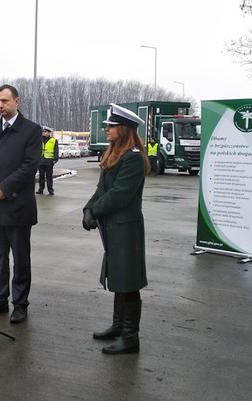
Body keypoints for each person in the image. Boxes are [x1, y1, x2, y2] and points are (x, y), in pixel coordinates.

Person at [82, 103, 150, 355]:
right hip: (113, 228)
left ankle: (131, 338)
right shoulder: (114, 155)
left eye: (111, 126)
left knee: (128, 282)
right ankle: (119, 326)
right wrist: (87, 209)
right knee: (119, 278)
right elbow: (102, 190)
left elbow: (120, 195)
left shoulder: (133, 158)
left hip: (126, 229)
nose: (107, 130)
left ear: (124, 129)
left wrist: (95, 211)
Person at [0, 84, 40, 324]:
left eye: (5, 101)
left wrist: (3, 188)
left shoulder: (31, 131)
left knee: (20, 259)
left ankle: (20, 304)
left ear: (17, 101)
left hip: (17, 207)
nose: (0, 106)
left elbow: (30, 166)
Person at [37, 127, 58, 195]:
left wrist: (55, 159)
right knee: (41, 177)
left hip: (49, 161)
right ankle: (41, 189)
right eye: (43, 132)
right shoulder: (39, 140)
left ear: (49, 133)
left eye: (45, 132)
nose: (44, 133)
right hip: (41, 161)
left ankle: (50, 190)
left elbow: (56, 150)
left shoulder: (54, 140)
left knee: (49, 177)